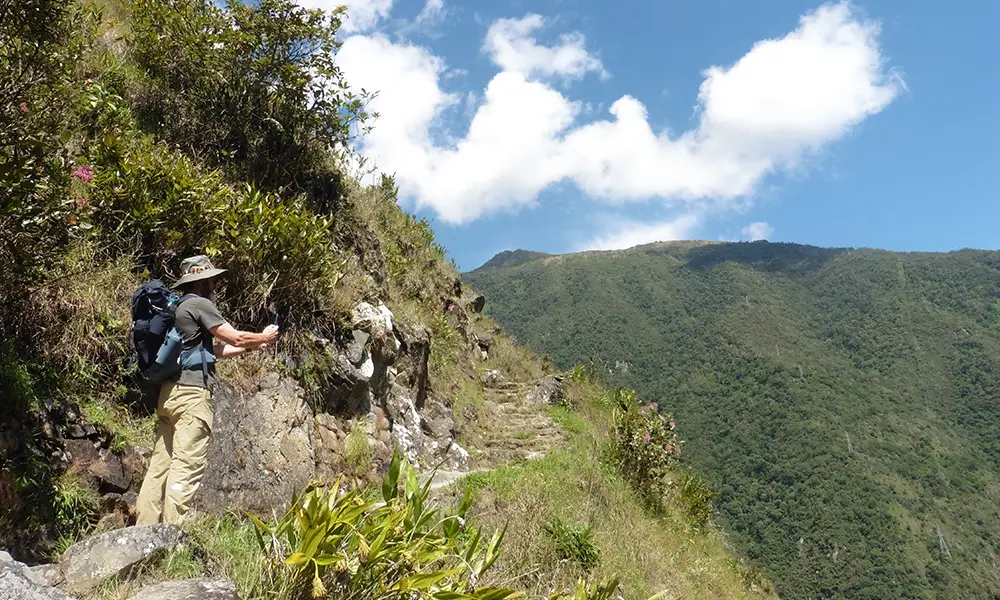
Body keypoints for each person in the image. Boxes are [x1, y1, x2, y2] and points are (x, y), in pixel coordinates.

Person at [135, 255, 279, 525]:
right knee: (186, 466)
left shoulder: (180, 307)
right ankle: (170, 534)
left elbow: (211, 351)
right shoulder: (200, 304)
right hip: (192, 397)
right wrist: (264, 336)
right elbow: (234, 336)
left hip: (170, 395)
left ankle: (143, 531)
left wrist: (252, 346)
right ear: (202, 281)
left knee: (160, 466)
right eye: (212, 280)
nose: (215, 285)